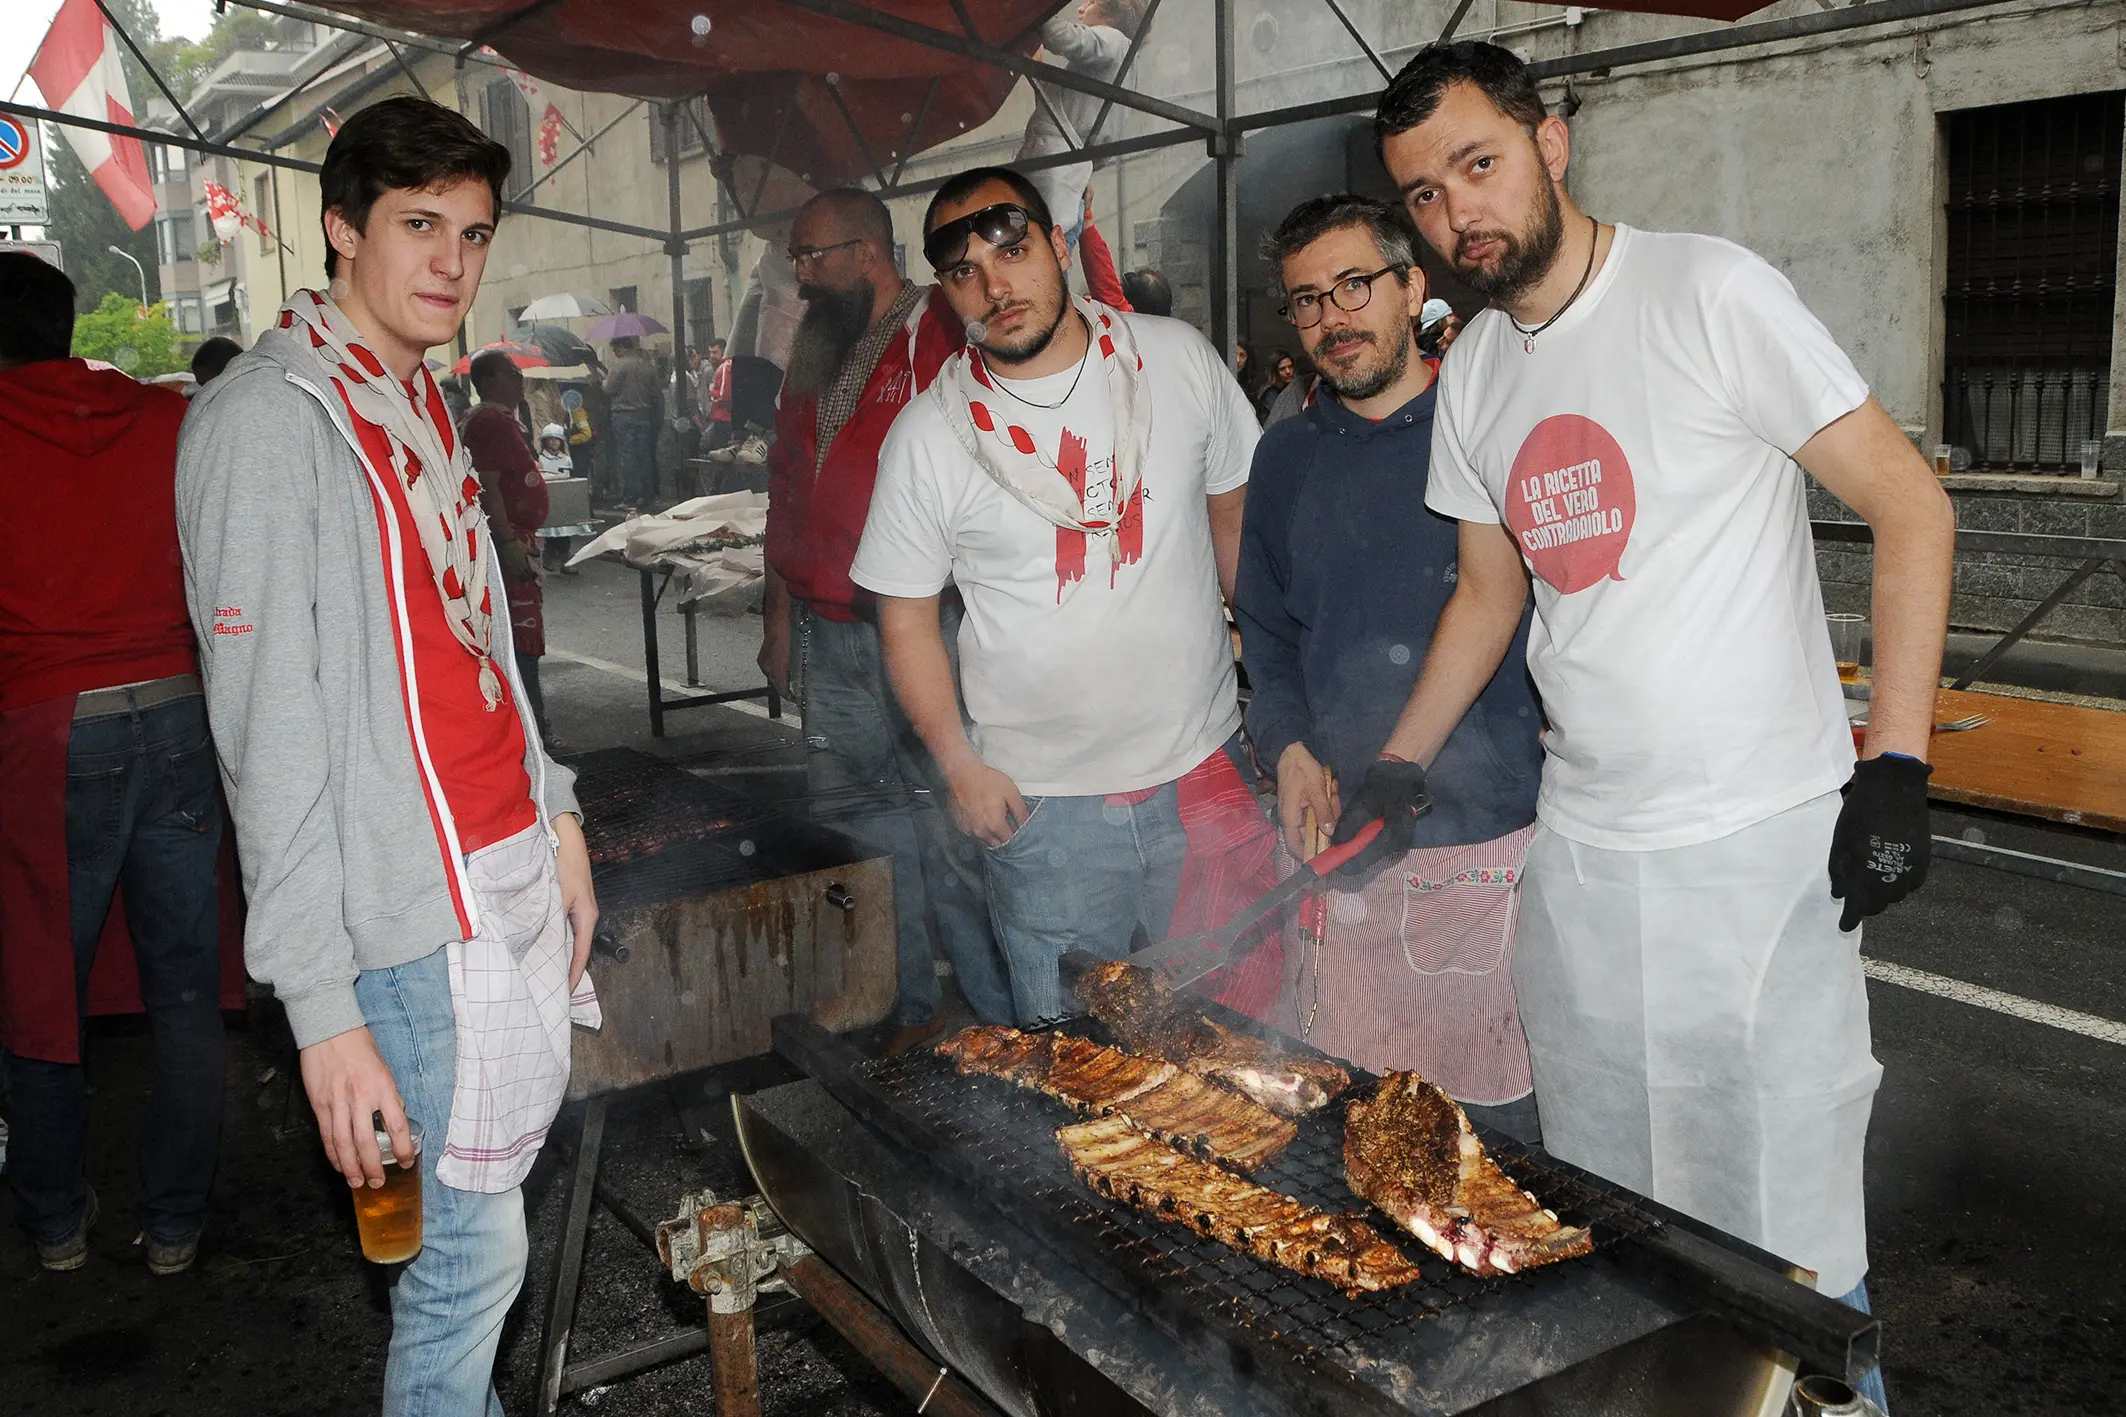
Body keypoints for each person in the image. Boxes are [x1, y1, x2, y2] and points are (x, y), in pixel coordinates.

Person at [1363, 44, 1953, 1407]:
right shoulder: (1477, 379)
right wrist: (1399, 755)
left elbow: (1908, 504)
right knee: (1617, 1216)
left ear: (1549, 145)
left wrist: (1898, 761)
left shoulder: (1708, 289)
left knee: (1788, 1221)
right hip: (1586, 853)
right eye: (1424, 197)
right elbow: (1485, 591)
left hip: (1753, 846)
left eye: (1478, 165)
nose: (1458, 217)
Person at [175, 97, 599, 1416]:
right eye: (418, 227)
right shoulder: (266, 424)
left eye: (471, 235)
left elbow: (479, 649)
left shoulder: (418, 402)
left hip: (501, 863)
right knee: (467, 1262)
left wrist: (558, 808)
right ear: (342, 227)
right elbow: (267, 741)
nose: (450, 266)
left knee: (482, 1234)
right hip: (405, 913)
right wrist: (323, 1014)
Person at [852, 167, 1263, 1025]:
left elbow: (1235, 517)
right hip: (1044, 811)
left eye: (1014, 249)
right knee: (1076, 1070)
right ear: (944, 292)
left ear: (1056, 242)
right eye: (966, 271)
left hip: (1207, 770)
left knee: (1241, 1042)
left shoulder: (1176, 360)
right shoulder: (929, 437)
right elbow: (907, 620)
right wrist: (958, 765)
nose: (996, 285)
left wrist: (1277, 694)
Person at [1234, 195, 1544, 1141]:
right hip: (1339, 846)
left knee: (1489, 1142)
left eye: (1355, 285)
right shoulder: (1283, 456)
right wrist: (1285, 745)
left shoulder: (1487, 423)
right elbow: (1270, 638)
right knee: (1348, 1125)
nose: (1334, 317)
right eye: (1307, 301)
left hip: (1480, 847)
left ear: (1412, 288)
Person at [0, 252, 225, 1276]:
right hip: (179, 713)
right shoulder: (162, 419)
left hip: (50, 731)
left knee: (39, 983)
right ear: (67, 321)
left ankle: (54, 1220)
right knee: (185, 985)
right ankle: (176, 1221)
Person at [760, 187, 1014, 1049]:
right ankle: (902, 1006)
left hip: (924, 628)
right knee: (863, 833)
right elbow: (785, 488)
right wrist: (777, 616)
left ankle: (990, 1009)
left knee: (952, 824)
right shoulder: (813, 346)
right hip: (829, 632)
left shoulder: (938, 329)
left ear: (869, 252)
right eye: (796, 259)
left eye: (813, 256)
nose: (800, 276)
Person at [463, 350, 553, 742]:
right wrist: (508, 541)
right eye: (511, 373)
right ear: (488, 380)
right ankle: (532, 732)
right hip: (507, 541)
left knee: (519, 638)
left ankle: (530, 727)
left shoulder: (499, 421)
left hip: (515, 536)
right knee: (520, 639)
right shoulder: (488, 422)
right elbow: (489, 486)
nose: (520, 379)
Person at [1017, 0, 1148, 255]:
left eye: (1091, 2)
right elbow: (1060, 110)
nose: (1080, 8)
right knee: (1050, 258)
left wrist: (1035, 10)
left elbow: (1062, 37)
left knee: (1040, 254)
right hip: (1068, 180)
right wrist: (1038, 68)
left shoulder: (1113, 40)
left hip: (1056, 172)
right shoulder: (1121, 60)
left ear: (1113, 15)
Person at [602, 333, 661, 508]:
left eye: (615, 349)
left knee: (627, 456)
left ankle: (630, 497)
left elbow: (609, 389)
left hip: (623, 415)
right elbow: (655, 393)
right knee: (645, 455)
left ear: (621, 347)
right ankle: (648, 494)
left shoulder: (619, 366)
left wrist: (603, 382)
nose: (614, 353)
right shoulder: (647, 366)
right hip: (644, 415)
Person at [1253, 350, 1295, 423]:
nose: (1288, 371)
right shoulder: (1270, 392)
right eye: (1282, 369)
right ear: (1275, 372)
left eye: (1290, 367)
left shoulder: (1290, 388)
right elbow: (1281, 417)